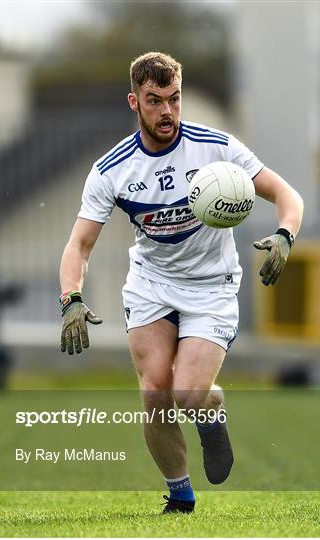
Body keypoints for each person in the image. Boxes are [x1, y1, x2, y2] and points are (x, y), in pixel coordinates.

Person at [59, 52, 304, 513]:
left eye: (174, 99)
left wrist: (286, 234)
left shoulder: (217, 148)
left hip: (211, 285)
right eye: (155, 101)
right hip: (151, 283)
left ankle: (211, 415)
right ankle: (180, 497)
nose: (167, 111)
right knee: (155, 392)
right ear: (134, 102)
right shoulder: (112, 169)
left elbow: (286, 194)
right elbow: (80, 246)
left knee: (189, 394)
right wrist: (70, 296)